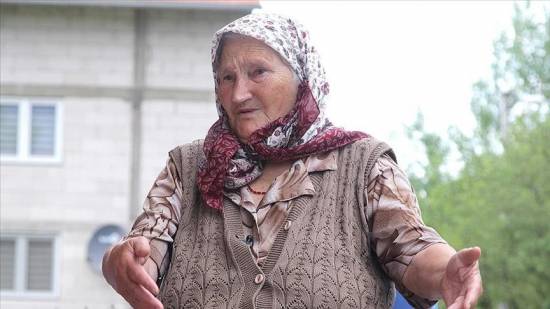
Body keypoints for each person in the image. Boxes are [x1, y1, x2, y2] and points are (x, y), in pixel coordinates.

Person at [102, 13, 482, 309]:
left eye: (258, 73)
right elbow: (144, 248)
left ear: (302, 78)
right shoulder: (187, 168)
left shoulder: (364, 166)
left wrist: (448, 271)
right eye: (226, 77)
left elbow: (410, 248)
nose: (238, 94)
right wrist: (119, 262)